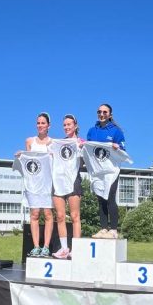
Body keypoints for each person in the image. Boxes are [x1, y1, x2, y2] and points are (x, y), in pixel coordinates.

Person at [86, 103, 126, 238]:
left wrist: (117, 147)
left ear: (110, 115)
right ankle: (103, 229)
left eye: (105, 112)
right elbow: (88, 150)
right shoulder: (92, 131)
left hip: (111, 170)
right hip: (98, 171)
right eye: (99, 112)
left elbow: (123, 150)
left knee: (110, 198)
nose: (102, 114)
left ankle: (113, 230)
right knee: (100, 198)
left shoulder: (116, 131)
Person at [19, 112, 54, 257]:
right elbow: (28, 161)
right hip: (33, 184)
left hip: (47, 183)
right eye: (38, 123)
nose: (40, 125)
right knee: (34, 214)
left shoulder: (53, 143)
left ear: (48, 125)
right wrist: (21, 155)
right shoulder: (29, 141)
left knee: (48, 214)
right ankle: (36, 246)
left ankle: (46, 246)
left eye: (43, 123)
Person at [51, 114, 84, 259]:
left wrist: (82, 148)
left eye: (69, 124)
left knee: (75, 216)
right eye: (64, 125)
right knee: (60, 216)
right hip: (58, 181)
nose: (66, 127)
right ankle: (64, 249)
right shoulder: (58, 143)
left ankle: (76, 249)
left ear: (75, 126)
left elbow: (85, 163)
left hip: (73, 180)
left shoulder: (80, 142)